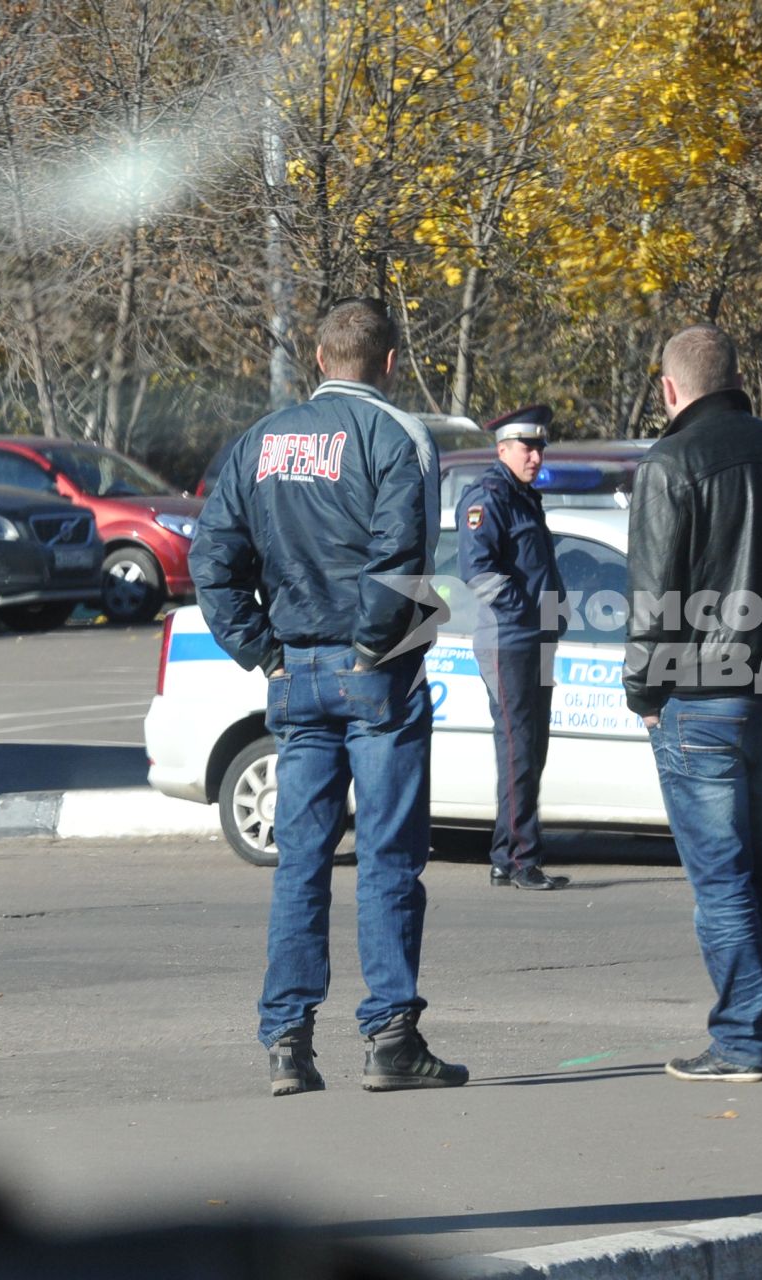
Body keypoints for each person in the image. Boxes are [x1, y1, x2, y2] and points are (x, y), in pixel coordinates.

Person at [190, 296, 467, 1096]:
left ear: (318, 359)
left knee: (300, 863)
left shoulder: (260, 442)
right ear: (388, 361)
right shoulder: (397, 434)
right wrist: (376, 643)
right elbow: (401, 549)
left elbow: (213, 558)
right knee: (389, 857)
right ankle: (389, 1038)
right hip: (377, 670)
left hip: (297, 673)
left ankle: (286, 1041)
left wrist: (260, 649)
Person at [624, 323, 762, 1083]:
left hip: (700, 697)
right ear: (736, 378)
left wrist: (643, 691)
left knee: (722, 880)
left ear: (670, 390)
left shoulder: (669, 463)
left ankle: (743, 1040)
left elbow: (654, 597)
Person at [456, 404, 569, 891]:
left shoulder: (525, 497)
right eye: (528, 446)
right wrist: (527, 611)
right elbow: (478, 572)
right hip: (509, 640)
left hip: (533, 640)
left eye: (541, 446)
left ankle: (507, 854)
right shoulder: (489, 496)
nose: (536, 454)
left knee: (528, 750)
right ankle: (522, 859)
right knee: (520, 748)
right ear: (502, 448)